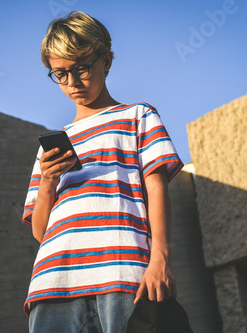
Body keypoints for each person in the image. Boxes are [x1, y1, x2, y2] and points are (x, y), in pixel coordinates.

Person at [22, 10, 184, 333]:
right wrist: (48, 181)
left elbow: (157, 190)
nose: (72, 82)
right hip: (52, 284)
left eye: (81, 68)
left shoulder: (138, 116)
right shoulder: (50, 148)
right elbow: (40, 232)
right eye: (60, 74)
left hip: (123, 275)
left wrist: (161, 257)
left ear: (106, 60)